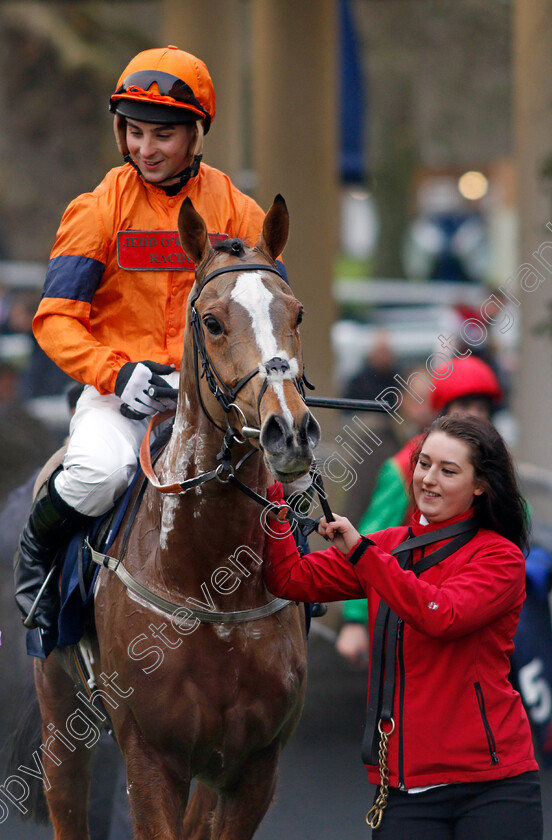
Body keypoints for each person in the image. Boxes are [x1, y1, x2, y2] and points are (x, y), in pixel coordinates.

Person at [14, 45, 270, 638]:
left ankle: (295, 598)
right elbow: (54, 320)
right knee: (99, 474)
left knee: (286, 476)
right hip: (117, 398)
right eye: (133, 133)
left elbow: (267, 318)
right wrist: (118, 373)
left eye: (162, 135)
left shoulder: (241, 213)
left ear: (196, 133)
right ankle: (38, 563)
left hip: (214, 401)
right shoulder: (96, 211)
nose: (145, 150)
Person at [264, 414, 542, 839]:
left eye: (448, 470)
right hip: (404, 790)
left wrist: (362, 551)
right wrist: (276, 490)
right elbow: (290, 579)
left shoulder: (499, 557)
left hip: (493, 787)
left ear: (480, 484)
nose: (428, 479)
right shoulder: (388, 547)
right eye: (423, 463)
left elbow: (440, 615)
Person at [337, 354, 503, 665]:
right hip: (414, 616)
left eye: (482, 408)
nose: (476, 416)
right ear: (443, 411)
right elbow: (370, 541)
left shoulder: (494, 465)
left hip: (474, 612)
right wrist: (354, 621)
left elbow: (514, 524)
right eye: (465, 406)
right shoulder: (403, 466)